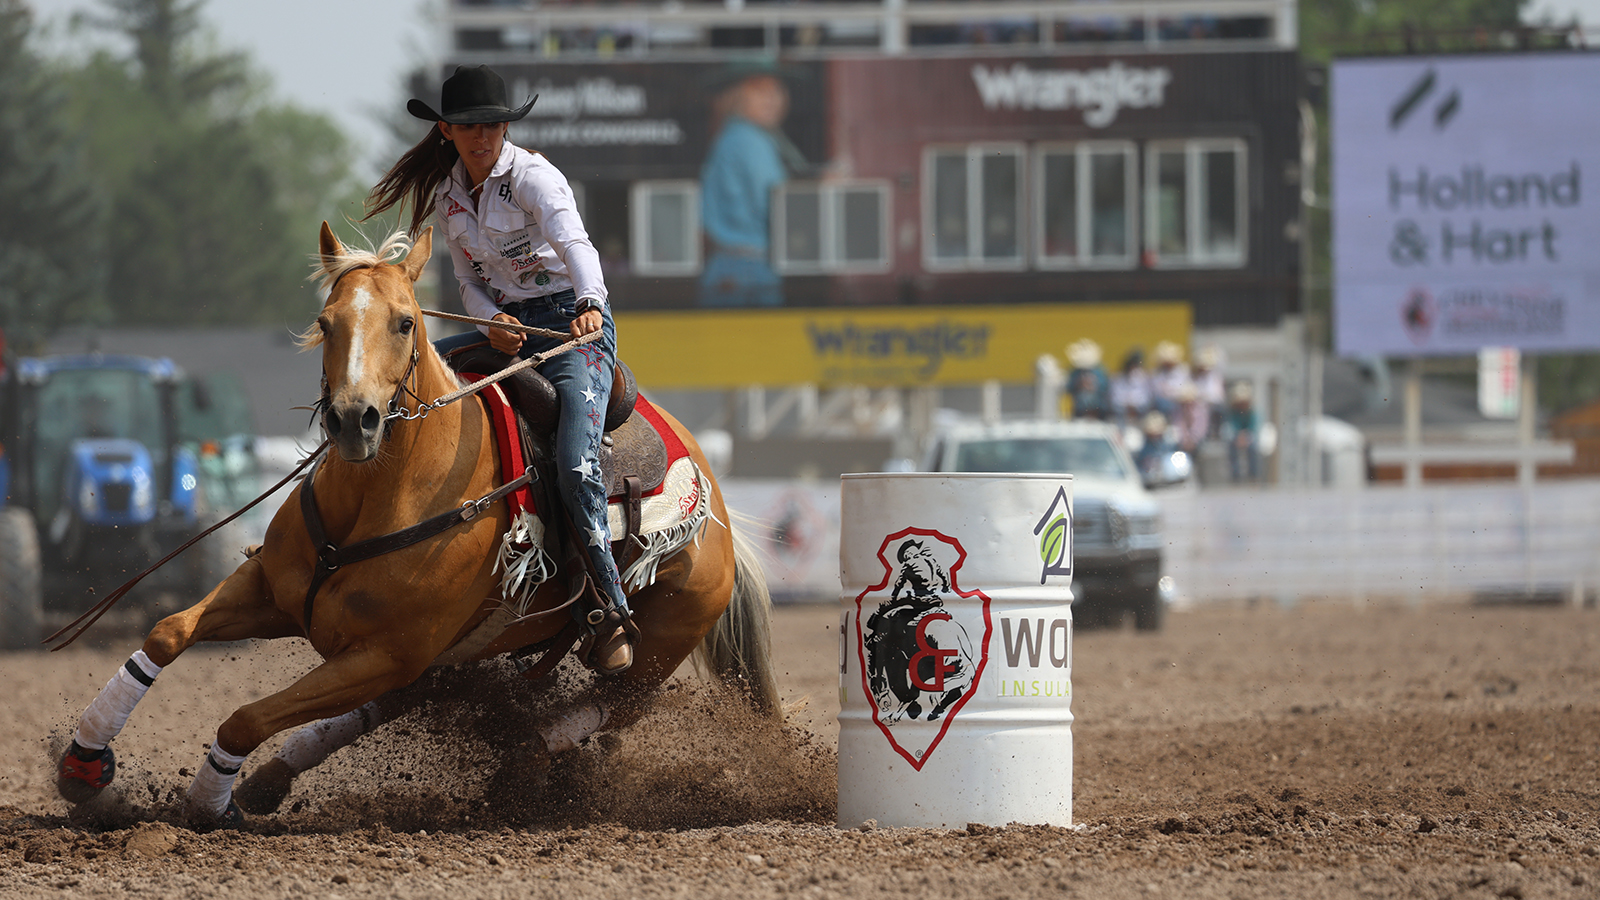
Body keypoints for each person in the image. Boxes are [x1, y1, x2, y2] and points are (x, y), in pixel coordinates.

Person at [365, 65, 634, 674]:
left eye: (492, 126)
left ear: (505, 127)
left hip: (571, 328)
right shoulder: (448, 197)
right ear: (447, 132)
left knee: (575, 460)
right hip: (507, 326)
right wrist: (489, 320)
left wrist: (590, 306)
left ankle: (611, 607)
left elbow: (577, 248)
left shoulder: (535, 177)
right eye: (468, 127)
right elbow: (465, 280)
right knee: (408, 385)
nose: (482, 137)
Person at [698, 63, 805, 307]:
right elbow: (777, 205)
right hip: (747, 267)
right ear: (737, 97)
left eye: (777, 91)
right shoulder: (749, 140)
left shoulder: (734, 136)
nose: (772, 100)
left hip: (729, 263)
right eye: (760, 91)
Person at [1220, 380, 1260, 483]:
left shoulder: (1253, 413)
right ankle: (1235, 476)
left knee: (1253, 448)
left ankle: (1253, 476)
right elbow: (1232, 427)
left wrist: (1245, 437)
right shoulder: (1233, 412)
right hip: (1237, 437)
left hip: (1249, 438)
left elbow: (1254, 428)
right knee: (1231, 446)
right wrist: (1238, 437)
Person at [1064, 338, 1112, 421]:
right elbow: (1069, 387)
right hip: (1078, 402)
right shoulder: (1075, 372)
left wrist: (1093, 385)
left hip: (1098, 401)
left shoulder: (1100, 371)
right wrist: (1078, 384)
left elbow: (1105, 386)